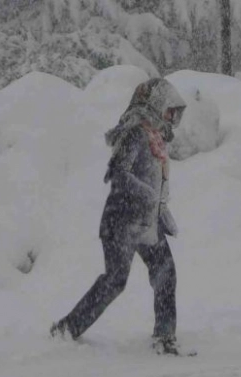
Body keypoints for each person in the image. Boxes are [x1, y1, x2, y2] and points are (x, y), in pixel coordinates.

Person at [50, 78, 187, 355]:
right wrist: (148, 195)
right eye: (170, 110)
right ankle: (66, 329)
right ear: (156, 105)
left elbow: (154, 185)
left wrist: (162, 212)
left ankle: (164, 336)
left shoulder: (155, 138)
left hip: (147, 222)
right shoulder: (135, 133)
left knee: (165, 273)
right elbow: (119, 175)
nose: (173, 117)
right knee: (115, 281)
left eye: (176, 112)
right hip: (121, 220)